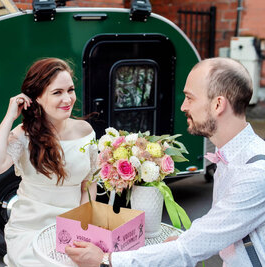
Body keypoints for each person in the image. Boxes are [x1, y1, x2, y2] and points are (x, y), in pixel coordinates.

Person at [65, 57, 265, 267]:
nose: (183, 107)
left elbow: (190, 249)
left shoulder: (255, 173)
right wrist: (184, 241)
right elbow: (216, 228)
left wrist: (105, 260)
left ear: (218, 104)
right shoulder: (234, 156)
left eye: (190, 98)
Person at [0, 58, 98, 267]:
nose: (68, 99)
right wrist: (9, 117)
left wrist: (84, 227)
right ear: (36, 98)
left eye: (70, 90)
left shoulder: (86, 132)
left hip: (72, 228)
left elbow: (88, 186)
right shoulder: (23, 135)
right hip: (30, 230)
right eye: (57, 92)